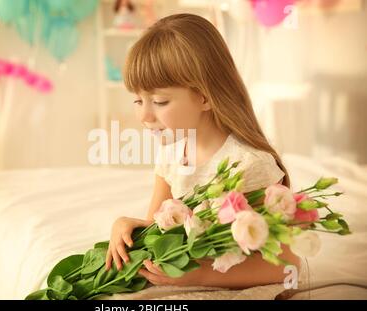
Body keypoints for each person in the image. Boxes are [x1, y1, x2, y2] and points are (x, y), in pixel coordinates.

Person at [105, 13, 300, 289]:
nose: (144, 115)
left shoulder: (249, 165)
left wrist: (198, 274)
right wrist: (126, 226)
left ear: (205, 97)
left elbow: (287, 267)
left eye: (159, 101)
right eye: (138, 100)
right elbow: (158, 234)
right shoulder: (171, 158)